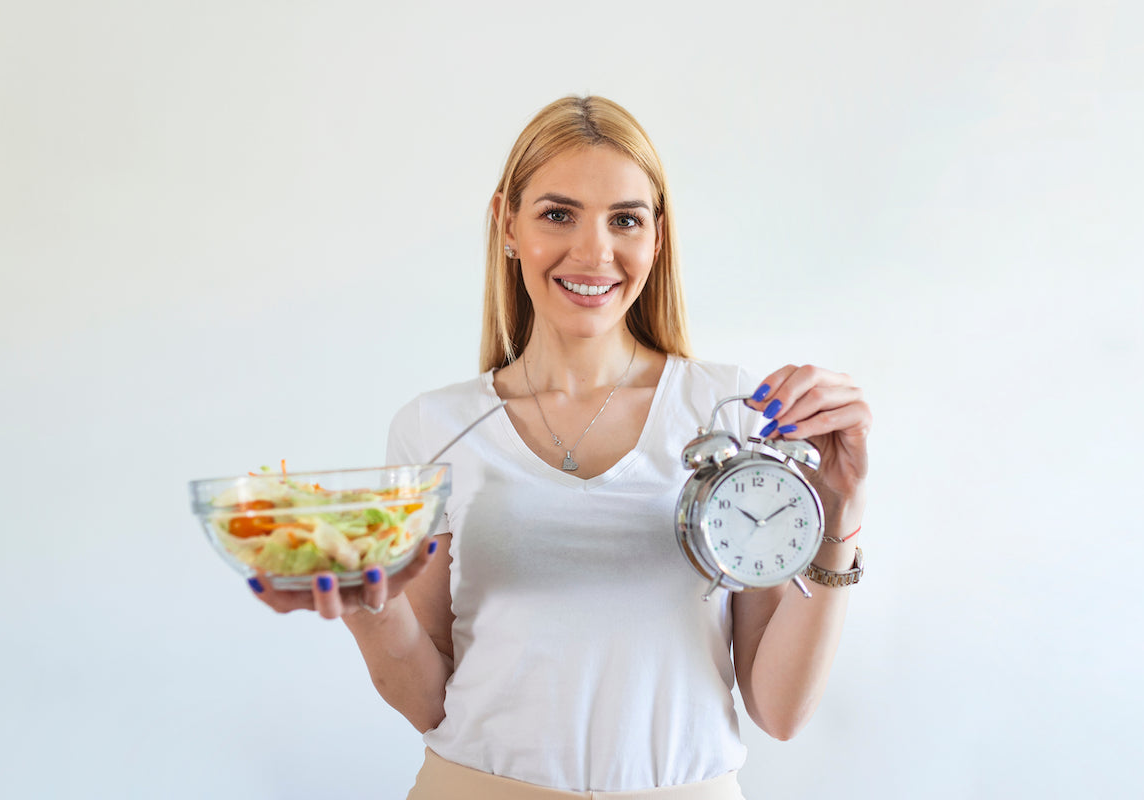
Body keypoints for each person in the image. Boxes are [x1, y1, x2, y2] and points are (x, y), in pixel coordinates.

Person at [248, 95, 871, 799]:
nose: (593, 252)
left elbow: (779, 711)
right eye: (557, 214)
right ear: (507, 224)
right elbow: (429, 701)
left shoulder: (730, 415)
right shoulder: (433, 427)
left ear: (657, 238)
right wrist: (368, 604)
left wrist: (838, 519)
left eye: (625, 220)